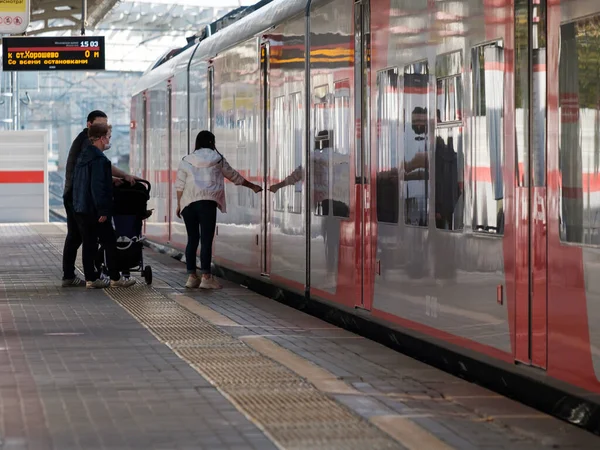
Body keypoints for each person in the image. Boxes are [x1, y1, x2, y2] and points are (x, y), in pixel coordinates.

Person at [61, 110, 140, 287]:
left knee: (89, 240)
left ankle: (94, 277)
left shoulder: (85, 153)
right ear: (99, 135)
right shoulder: (97, 157)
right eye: (107, 135)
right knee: (102, 239)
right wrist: (103, 210)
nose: (109, 140)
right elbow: (96, 186)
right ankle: (107, 278)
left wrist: (111, 179)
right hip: (90, 207)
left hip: (81, 204)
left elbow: (90, 178)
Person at [175, 130, 262, 289]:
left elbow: (180, 185)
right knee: (206, 240)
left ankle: (192, 277)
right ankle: (206, 277)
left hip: (188, 204)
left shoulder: (186, 160)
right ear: (212, 142)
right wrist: (252, 186)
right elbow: (234, 176)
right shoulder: (218, 159)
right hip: (207, 203)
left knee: (192, 239)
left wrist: (179, 204)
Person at [269, 130, 350, 275]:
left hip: (325, 205)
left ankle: (331, 268)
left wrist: (277, 186)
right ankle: (340, 268)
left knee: (330, 239)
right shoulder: (342, 158)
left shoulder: (312, 158)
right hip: (343, 205)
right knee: (339, 239)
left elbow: (295, 176)